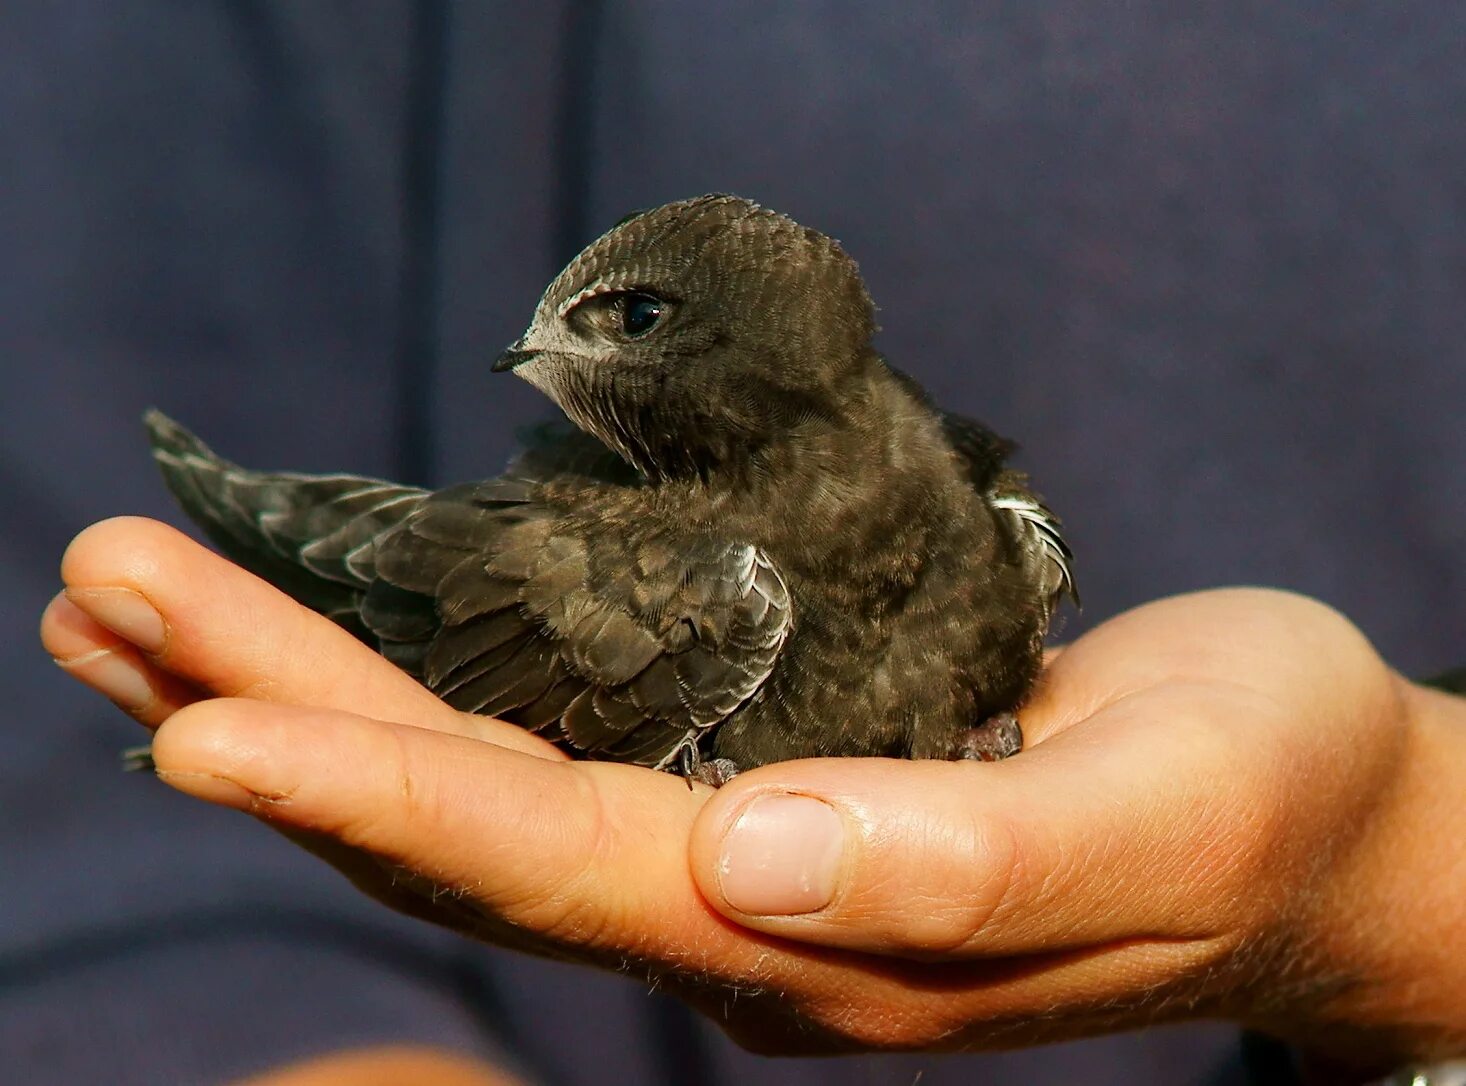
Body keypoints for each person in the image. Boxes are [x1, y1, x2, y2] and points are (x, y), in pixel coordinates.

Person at [11, 3, 1464, 1083]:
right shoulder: (673, 563)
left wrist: (1402, 880)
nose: (535, 357)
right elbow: (104, 880)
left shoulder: (976, 530)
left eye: (623, 324)